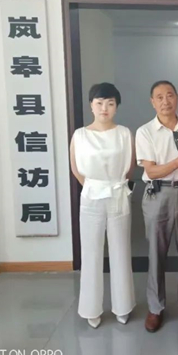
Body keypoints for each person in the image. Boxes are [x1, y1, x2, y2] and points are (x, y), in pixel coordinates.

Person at [136, 80, 178, 333]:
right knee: (156, 252)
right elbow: (151, 171)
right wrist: (175, 164)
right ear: (152, 102)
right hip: (158, 195)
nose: (165, 101)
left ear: (177, 98)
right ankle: (156, 308)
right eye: (159, 97)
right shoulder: (145, 132)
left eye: (169, 95)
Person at [69, 82, 136, 329]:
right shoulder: (80, 135)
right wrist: (93, 186)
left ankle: (123, 306)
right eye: (99, 103)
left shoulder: (124, 133)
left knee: (120, 250)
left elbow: (130, 167)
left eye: (110, 103)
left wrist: (113, 184)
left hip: (117, 193)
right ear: (91, 105)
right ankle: (91, 308)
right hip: (91, 196)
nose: (104, 108)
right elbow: (76, 168)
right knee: (91, 253)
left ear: (116, 106)